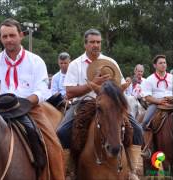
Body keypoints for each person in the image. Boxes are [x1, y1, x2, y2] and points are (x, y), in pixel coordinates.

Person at [0, 18, 65, 180]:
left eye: (12, 35)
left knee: (53, 145)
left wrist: (25, 102)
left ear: (21, 36)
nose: (9, 40)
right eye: (5, 37)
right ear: (0, 38)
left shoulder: (35, 61)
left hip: (30, 108)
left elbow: (42, 90)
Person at [56, 28, 143, 176]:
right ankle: (68, 171)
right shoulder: (76, 64)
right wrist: (93, 83)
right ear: (85, 44)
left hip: (110, 103)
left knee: (137, 130)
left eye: (98, 42)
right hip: (83, 103)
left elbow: (120, 86)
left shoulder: (110, 62)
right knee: (62, 132)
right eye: (92, 42)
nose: (95, 45)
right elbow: (69, 92)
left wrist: (121, 86)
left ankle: (133, 170)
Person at [140, 55, 173, 129]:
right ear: (155, 65)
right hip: (156, 104)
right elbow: (147, 97)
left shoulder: (172, 77)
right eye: (160, 63)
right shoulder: (149, 79)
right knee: (145, 121)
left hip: (172, 102)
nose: (163, 65)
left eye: (164, 63)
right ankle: (142, 139)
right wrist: (159, 101)